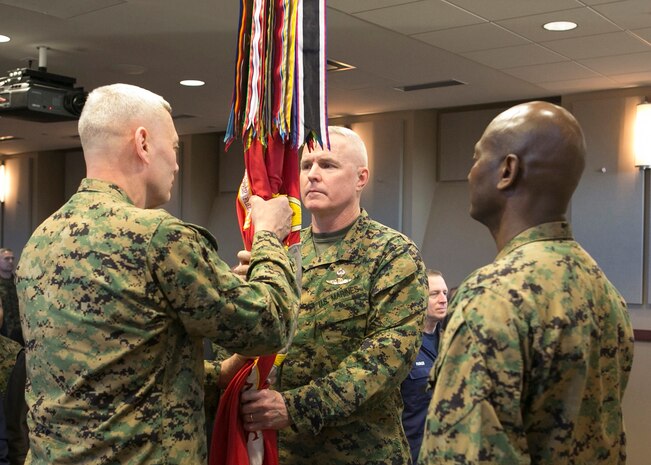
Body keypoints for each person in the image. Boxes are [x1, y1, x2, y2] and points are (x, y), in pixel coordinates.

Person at [15, 83, 299, 465]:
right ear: (143, 143)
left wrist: (221, 371)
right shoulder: (157, 237)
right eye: (175, 147)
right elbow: (271, 324)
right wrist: (268, 236)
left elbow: (112, 366)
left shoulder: (41, 240)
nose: (178, 163)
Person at [419, 101, 635, 464]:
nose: (470, 173)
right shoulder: (603, 289)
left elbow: (465, 455)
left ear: (507, 170)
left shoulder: (493, 296)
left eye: (476, 158)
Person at [239, 126, 428, 464]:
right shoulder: (283, 253)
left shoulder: (391, 254)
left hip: (359, 452)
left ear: (361, 178)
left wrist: (295, 407)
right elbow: (251, 343)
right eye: (306, 164)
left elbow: (385, 360)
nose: (312, 175)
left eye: (327, 165)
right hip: (279, 451)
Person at [400, 269, 448, 464]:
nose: (443, 299)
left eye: (445, 293)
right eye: (434, 294)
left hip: (447, 452)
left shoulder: (452, 342)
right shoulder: (402, 346)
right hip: (413, 453)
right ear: (418, 297)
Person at [0, 249, 22, 346]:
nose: (11, 261)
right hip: (4, 333)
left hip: (21, 332)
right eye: (6, 259)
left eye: (12, 258)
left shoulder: (18, 282)